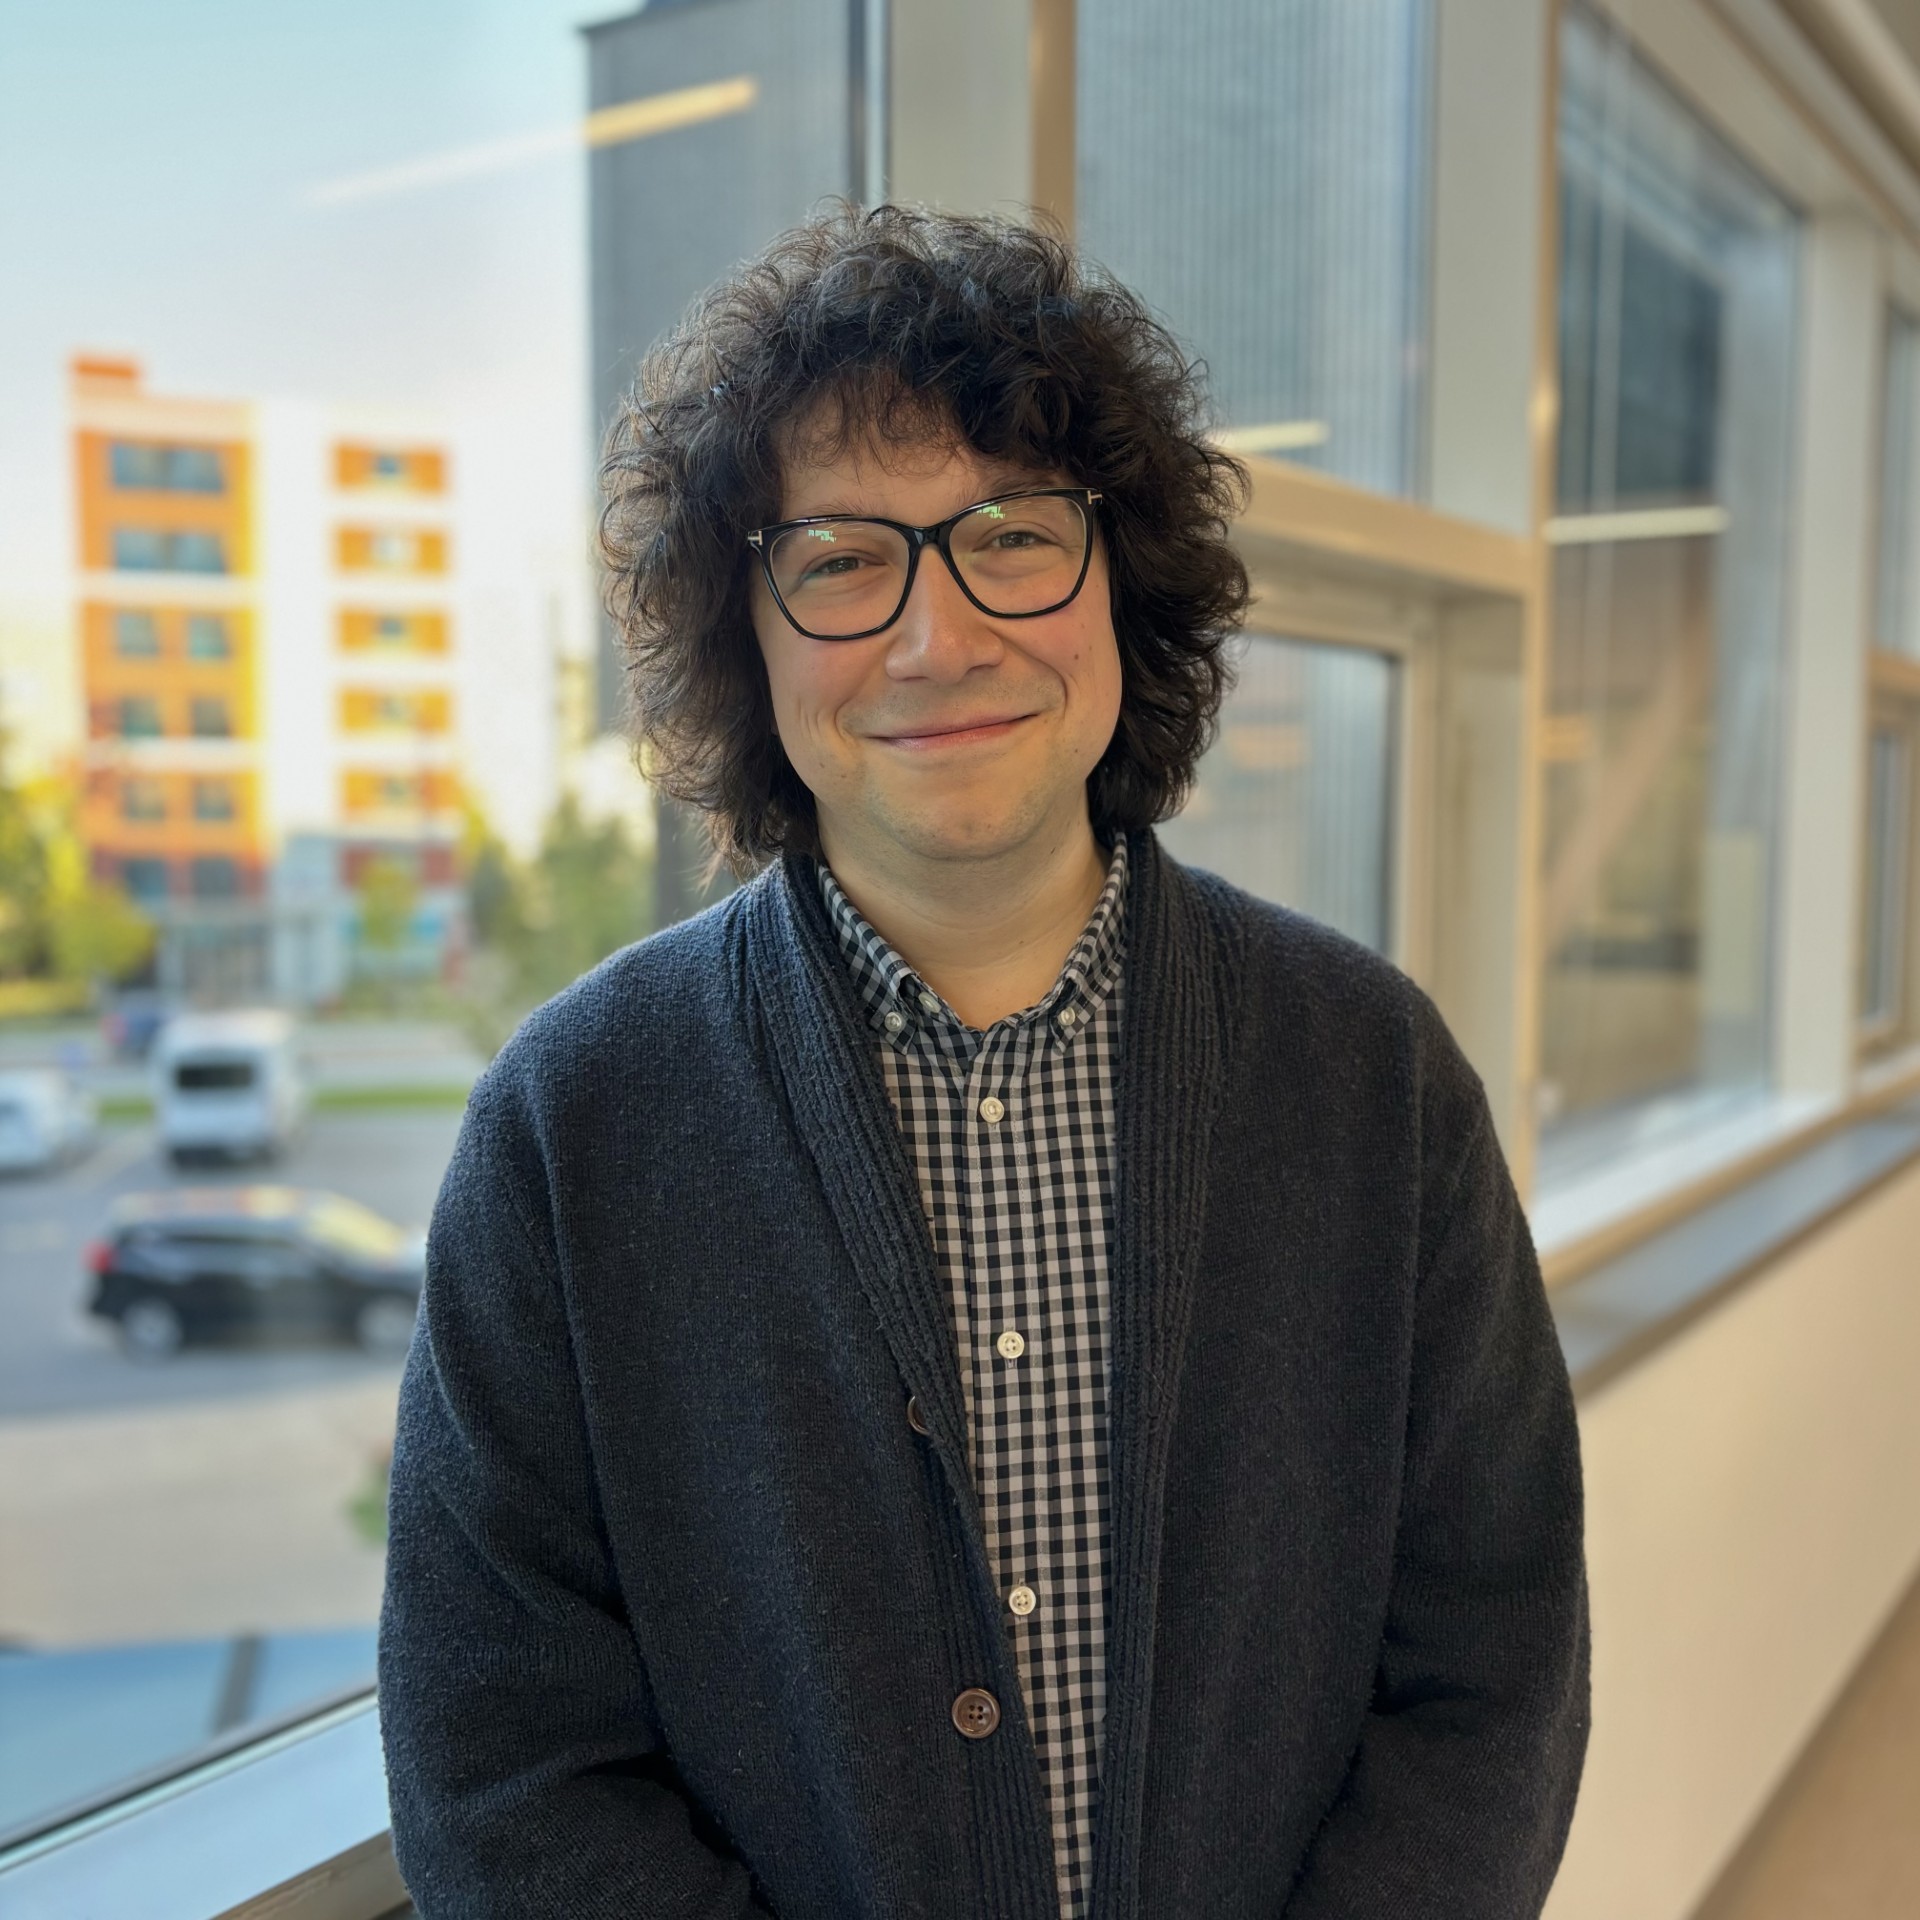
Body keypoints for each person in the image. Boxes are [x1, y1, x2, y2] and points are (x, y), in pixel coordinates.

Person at [378, 205, 1590, 1919]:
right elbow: (498, 1770)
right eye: (842, 559)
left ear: (1124, 581)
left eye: (1011, 535)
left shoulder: (1371, 1078)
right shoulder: (571, 1130)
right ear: (751, 634)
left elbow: (1496, 1662)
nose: (939, 638)